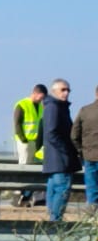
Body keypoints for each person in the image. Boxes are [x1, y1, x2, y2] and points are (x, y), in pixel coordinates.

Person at [39, 79, 78, 223]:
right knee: (62, 188)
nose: (66, 92)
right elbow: (51, 133)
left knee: (54, 188)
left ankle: (52, 219)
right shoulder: (54, 107)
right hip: (59, 159)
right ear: (54, 91)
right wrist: (66, 151)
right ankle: (55, 221)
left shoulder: (56, 107)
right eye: (63, 90)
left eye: (68, 90)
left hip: (55, 158)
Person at [12, 84, 47, 207]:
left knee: (33, 168)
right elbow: (17, 123)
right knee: (24, 167)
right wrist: (23, 139)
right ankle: (19, 194)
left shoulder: (40, 107)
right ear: (35, 93)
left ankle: (27, 196)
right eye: (40, 97)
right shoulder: (22, 104)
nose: (41, 100)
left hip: (35, 143)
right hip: (25, 142)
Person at [71, 86, 98, 211]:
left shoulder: (85, 110)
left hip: (89, 155)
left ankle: (92, 219)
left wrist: (81, 150)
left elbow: (74, 135)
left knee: (92, 190)